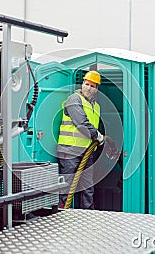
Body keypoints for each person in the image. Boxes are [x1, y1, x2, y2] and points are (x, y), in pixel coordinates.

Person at [57, 70, 105, 209]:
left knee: (87, 186)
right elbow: (81, 124)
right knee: (68, 185)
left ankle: (88, 214)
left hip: (86, 152)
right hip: (70, 150)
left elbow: (95, 124)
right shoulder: (74, 99)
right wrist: (98, 136)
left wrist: (100, 138)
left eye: (92, 86)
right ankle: (63, 213)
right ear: (82, 83)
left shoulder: (96, 106)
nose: (88, 88)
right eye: (86, 84)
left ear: (96, 89)